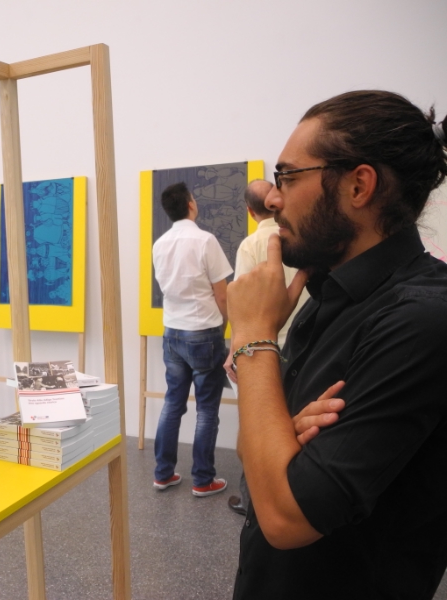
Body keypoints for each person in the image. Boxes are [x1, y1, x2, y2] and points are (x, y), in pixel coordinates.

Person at [228, 90, 447, 599]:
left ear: (358, 185)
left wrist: (253, 335)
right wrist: (281, 435)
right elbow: (252, 453)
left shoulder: (421, 318)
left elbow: (284, 517)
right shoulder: (326, 293)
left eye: (287, 176)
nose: (273, 199)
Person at [224, 179, 310, 516]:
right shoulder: (300, 238)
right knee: (290, 424)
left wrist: (236, 349)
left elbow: (243, 303)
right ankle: (286, 497)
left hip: (264, 347)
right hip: (301, 341)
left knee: (257, 428)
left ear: (249, 211)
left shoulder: (251, 244)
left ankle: (255, 504)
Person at [152, 182, 232, 497]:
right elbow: (222, 294)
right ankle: (202, 479)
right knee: (207, 409)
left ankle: (163, 474)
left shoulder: (159, 244)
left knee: (173, 403)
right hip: (203, 332)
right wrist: (225, 326)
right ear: (191, 204)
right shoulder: (205, 241)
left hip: (172, 332)